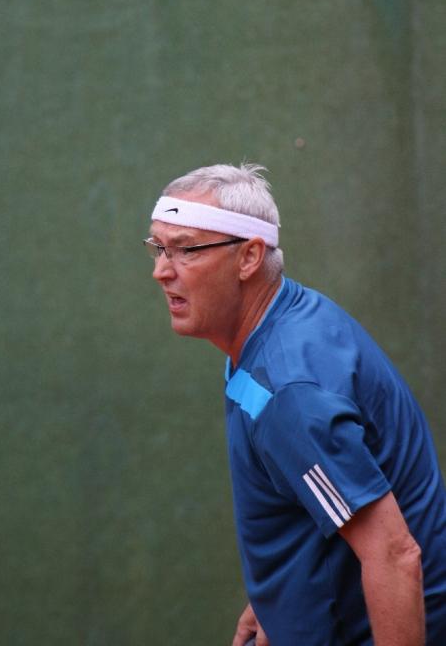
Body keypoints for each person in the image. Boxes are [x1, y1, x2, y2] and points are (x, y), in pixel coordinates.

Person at [144, 163, 446, 646]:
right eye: (159, 247)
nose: (162, 270)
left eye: (186, 249)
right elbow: (316, 494)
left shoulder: (288, 393)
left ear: (249, 257)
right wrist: (279, 598)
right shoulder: (279, 325)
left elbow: (393, 555)